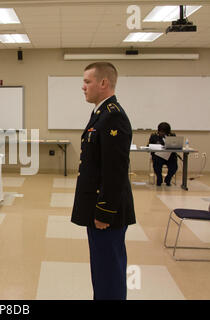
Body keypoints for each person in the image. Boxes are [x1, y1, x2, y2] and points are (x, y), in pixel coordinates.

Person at [71, 62, 136, 300]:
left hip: (106, 213)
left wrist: (104, 212)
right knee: (102, 268)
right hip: (98, 209)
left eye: (87, 82)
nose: (83, 87)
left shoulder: (113, 117)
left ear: (103, 83)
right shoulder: (102, 113)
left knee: (109, 270)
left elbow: (115, 172)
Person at [148, 122, 178, 186]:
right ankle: (159, 178)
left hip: (170, 157)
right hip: (158, 157)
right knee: (156, 163)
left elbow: (175, 146)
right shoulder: (154, 136)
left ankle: (168, 178)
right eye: (161, 132)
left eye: (164, 132)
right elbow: (149, 146)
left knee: (174, 166)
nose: (162, 133)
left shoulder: (172, 136)